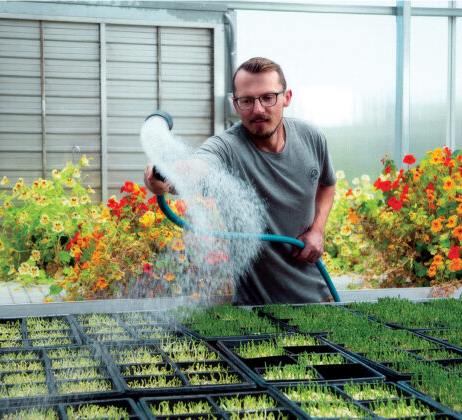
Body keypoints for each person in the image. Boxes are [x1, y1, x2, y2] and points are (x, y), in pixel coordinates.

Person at [144, 57, 336, 305]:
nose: (258, 109)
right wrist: (166, 176)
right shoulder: (225, 148)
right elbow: (197, 167)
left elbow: (327, 184)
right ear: (236, 104)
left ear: (286, 98)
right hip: (255, 309)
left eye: (268, 97)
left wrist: (318, 230)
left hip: (320, 298)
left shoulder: (312, 138)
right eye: (247, 101)